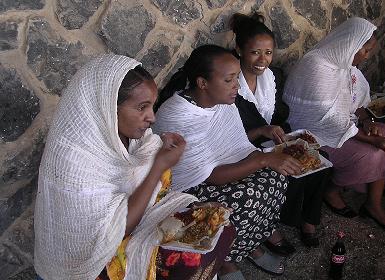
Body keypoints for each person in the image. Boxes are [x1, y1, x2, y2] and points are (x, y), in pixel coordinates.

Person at [34, 54, 235, 280]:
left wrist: (160, 151)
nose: (151, 117)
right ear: (108, 108)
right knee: (188, 262)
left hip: (137, 219)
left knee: (219, 225)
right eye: (142, 107)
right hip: (90, 259)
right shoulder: (74, 163)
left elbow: (149, 172)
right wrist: (157, 168)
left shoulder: (132, 136)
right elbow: (115, 232)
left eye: (152, 105)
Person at [153, 45, 302, 280]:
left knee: (276, 177)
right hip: (190, 186)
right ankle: (225, 261)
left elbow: (232, 143)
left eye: (237, 78)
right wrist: (263, 159)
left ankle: (250, 243)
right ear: (203, 83)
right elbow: (211, 175)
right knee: (249, 194)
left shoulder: (220, 101)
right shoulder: (178, 115)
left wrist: (262, 134)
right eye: (230, 80)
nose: (237, 86)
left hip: (219, 169)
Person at [283, 17, 385, 233]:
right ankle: (332, 190)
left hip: (342, 126)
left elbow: (355, 102)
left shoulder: (346, 65)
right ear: (351, 45)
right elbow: (327, 119)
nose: (367, 56)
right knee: (373, 151)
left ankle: (373, 205)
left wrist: (367, 122)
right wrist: (370, 138)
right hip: (315, 134)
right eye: (365, 50)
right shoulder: (316, 66)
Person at [230, 12, 330, 248]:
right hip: (241, 147)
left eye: (268, 53)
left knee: (321, 160)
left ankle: (308, 220)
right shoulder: (230, 84)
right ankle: (269, 225)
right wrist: (263, 132)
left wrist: (283, 134)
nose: (262, 59)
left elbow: (276, 116)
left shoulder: (272, 77)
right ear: (239, 50)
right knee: (289, 169)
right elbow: (229, 133)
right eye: (255, 52)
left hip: (267, 141)